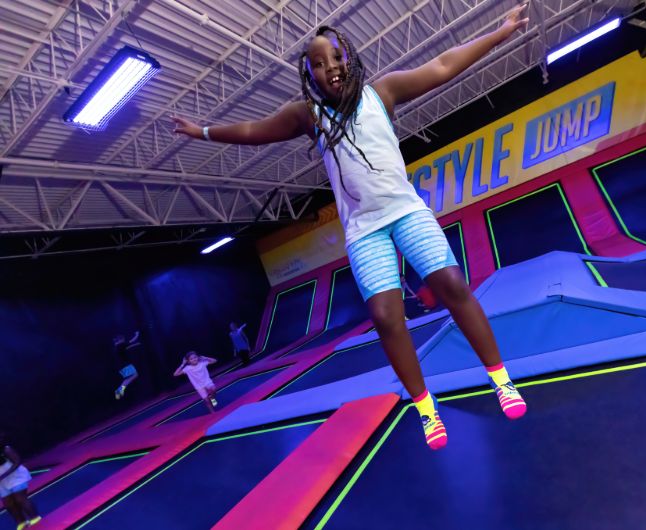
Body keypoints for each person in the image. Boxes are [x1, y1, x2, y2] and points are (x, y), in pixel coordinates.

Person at [173, 5, 529, 450]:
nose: (330, 68)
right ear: (311, 77)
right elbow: (253, 129)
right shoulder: (309, 116)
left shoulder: (384, 91)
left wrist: (500, 33)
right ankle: (425, 407)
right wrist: (204, 131)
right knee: (384, 316)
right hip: (364, 230)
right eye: (318, 65)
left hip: (405, 210)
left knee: (453, 284)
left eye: (336, 58)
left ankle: (501, 380)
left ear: (351, 59)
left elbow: (443, 64)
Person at [0, 435, 41, 530]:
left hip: (15, 476)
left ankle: (35, 518)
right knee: (8, 504)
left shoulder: (6, 449)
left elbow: (17, 461)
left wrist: (4, 475)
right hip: (2, 482)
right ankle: (21, 522)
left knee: (20, 498)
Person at [112, 331, 140, 400]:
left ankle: (120, 389)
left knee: (129, 378)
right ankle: (120, 389)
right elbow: (131, 341)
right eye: (123, 340)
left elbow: (128, 346)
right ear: (121, 340)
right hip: (125, 364)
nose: (124, 341)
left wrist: (136, 344)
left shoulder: (117, 347)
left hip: (120, 366)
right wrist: (137, 334)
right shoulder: (121, 345)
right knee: (134, 375)